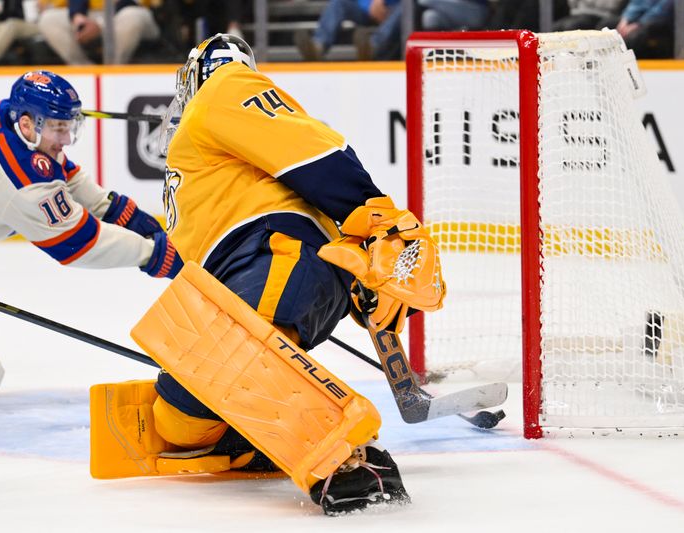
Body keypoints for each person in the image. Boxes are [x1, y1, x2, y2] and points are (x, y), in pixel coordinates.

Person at [91, 34, 444, 516]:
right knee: (177, 423)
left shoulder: (225, 85)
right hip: (244, 276)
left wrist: (372, 215)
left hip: (275, 255)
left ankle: (348, 458)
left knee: (236, 370)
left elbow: (307, 150)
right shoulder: (203, 141)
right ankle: (260, 430)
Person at [0, 69, 180, 405]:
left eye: (69, 126)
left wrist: (119, 211)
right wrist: (153, 254)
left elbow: (62, 172)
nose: (66, 139)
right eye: (58, 128)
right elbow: (80, 244)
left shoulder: (3, 114)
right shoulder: (24, 183)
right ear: (27, 124)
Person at [37, 0, 160, 64]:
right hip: (93, 14)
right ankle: (84, 70)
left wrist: (101, 24)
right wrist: (78, 18)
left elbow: (129, 3)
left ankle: (113, 71)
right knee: (49, 19)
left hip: (131, 13)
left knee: (131, 16)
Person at [294, 0, 402, 61]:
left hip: (397, 9)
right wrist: (369, 6)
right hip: (369, 9)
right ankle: (318, 46)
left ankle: (373, 47)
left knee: (405, 7)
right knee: (339, 2)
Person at [417, 0, 491, 32]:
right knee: (430, 17)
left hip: (475, 9)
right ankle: (438, 54)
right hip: (450, 10)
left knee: (425, 0)